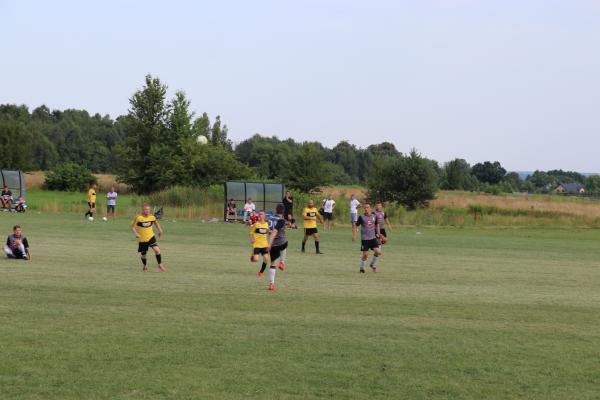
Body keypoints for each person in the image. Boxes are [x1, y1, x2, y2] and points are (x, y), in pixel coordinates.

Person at [131, 203, 166, 272]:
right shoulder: (138, 218)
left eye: (148, 209)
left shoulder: (152, 217)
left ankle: (160, 264)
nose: (147, 211)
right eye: (145, 209)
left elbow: (156, 223)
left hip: (151, 237)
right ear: (142, 210)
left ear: (150, 210)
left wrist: (160, 230)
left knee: (157, 250)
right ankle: (145, 266)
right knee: (144, 255)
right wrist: (136, 233)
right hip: (142, 239)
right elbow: (132, 227)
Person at [264, 204, 288, 291]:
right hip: (279, 241)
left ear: (276, 210)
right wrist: (269, 243)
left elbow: (268, 229)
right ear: (283, 211)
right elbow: (275, 231)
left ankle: (271, 284)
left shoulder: (270, 218)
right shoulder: (281, 220)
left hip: (273, 244)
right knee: (284, 244)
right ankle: (282, 262)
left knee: (273, 263)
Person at [353, 202, 381, 273]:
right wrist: (355, 235)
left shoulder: (374, 216)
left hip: (373, 238)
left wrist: (379, 234)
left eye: (367, 207)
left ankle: (372, 265)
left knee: (378, 252)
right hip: (365, 239)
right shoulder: (361, 217)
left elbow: (377, 225)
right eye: (365, 208)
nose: (366, 209)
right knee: (365, 255)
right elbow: (355, 225)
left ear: (370, 208)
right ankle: (362, 268)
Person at [250, 210, 271, 281]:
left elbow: (268, 233)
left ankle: (261, 272)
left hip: (264, 244)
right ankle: (253, 254)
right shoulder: (256, 224)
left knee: (266, 259)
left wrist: (270, 241)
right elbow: (251, 233)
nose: (260, 215)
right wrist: (252, 240)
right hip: (257, 244)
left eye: (262, 214)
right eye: (259, 214)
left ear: (264, 215)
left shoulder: (267, 224)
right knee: (255, 259)